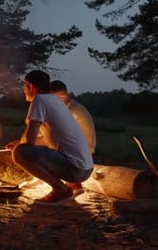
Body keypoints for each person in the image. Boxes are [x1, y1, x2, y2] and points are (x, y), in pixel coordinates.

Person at [6, 70, 93, 206]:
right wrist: (19, 142)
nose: (23, 90)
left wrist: (19, 146)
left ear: (29, 85)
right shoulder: (55, 100)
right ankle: (73, 185)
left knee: (19, 153)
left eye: (24, 87)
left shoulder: (39, 100)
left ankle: (61, 190)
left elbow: (29, 141)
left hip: (75, 170)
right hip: (86, 168)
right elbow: (45, 139)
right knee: (22, 148)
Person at [26, 80, 96, 195]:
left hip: (81, 154)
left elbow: (50, 139)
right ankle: (70, 183)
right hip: (75, 151)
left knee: (37, 152)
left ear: (63, 96)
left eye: (51, 99)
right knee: (39, 148)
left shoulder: (72, 112)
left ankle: (65, 186)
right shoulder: (64, 108)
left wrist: (25, 145)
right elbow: (47, 136)